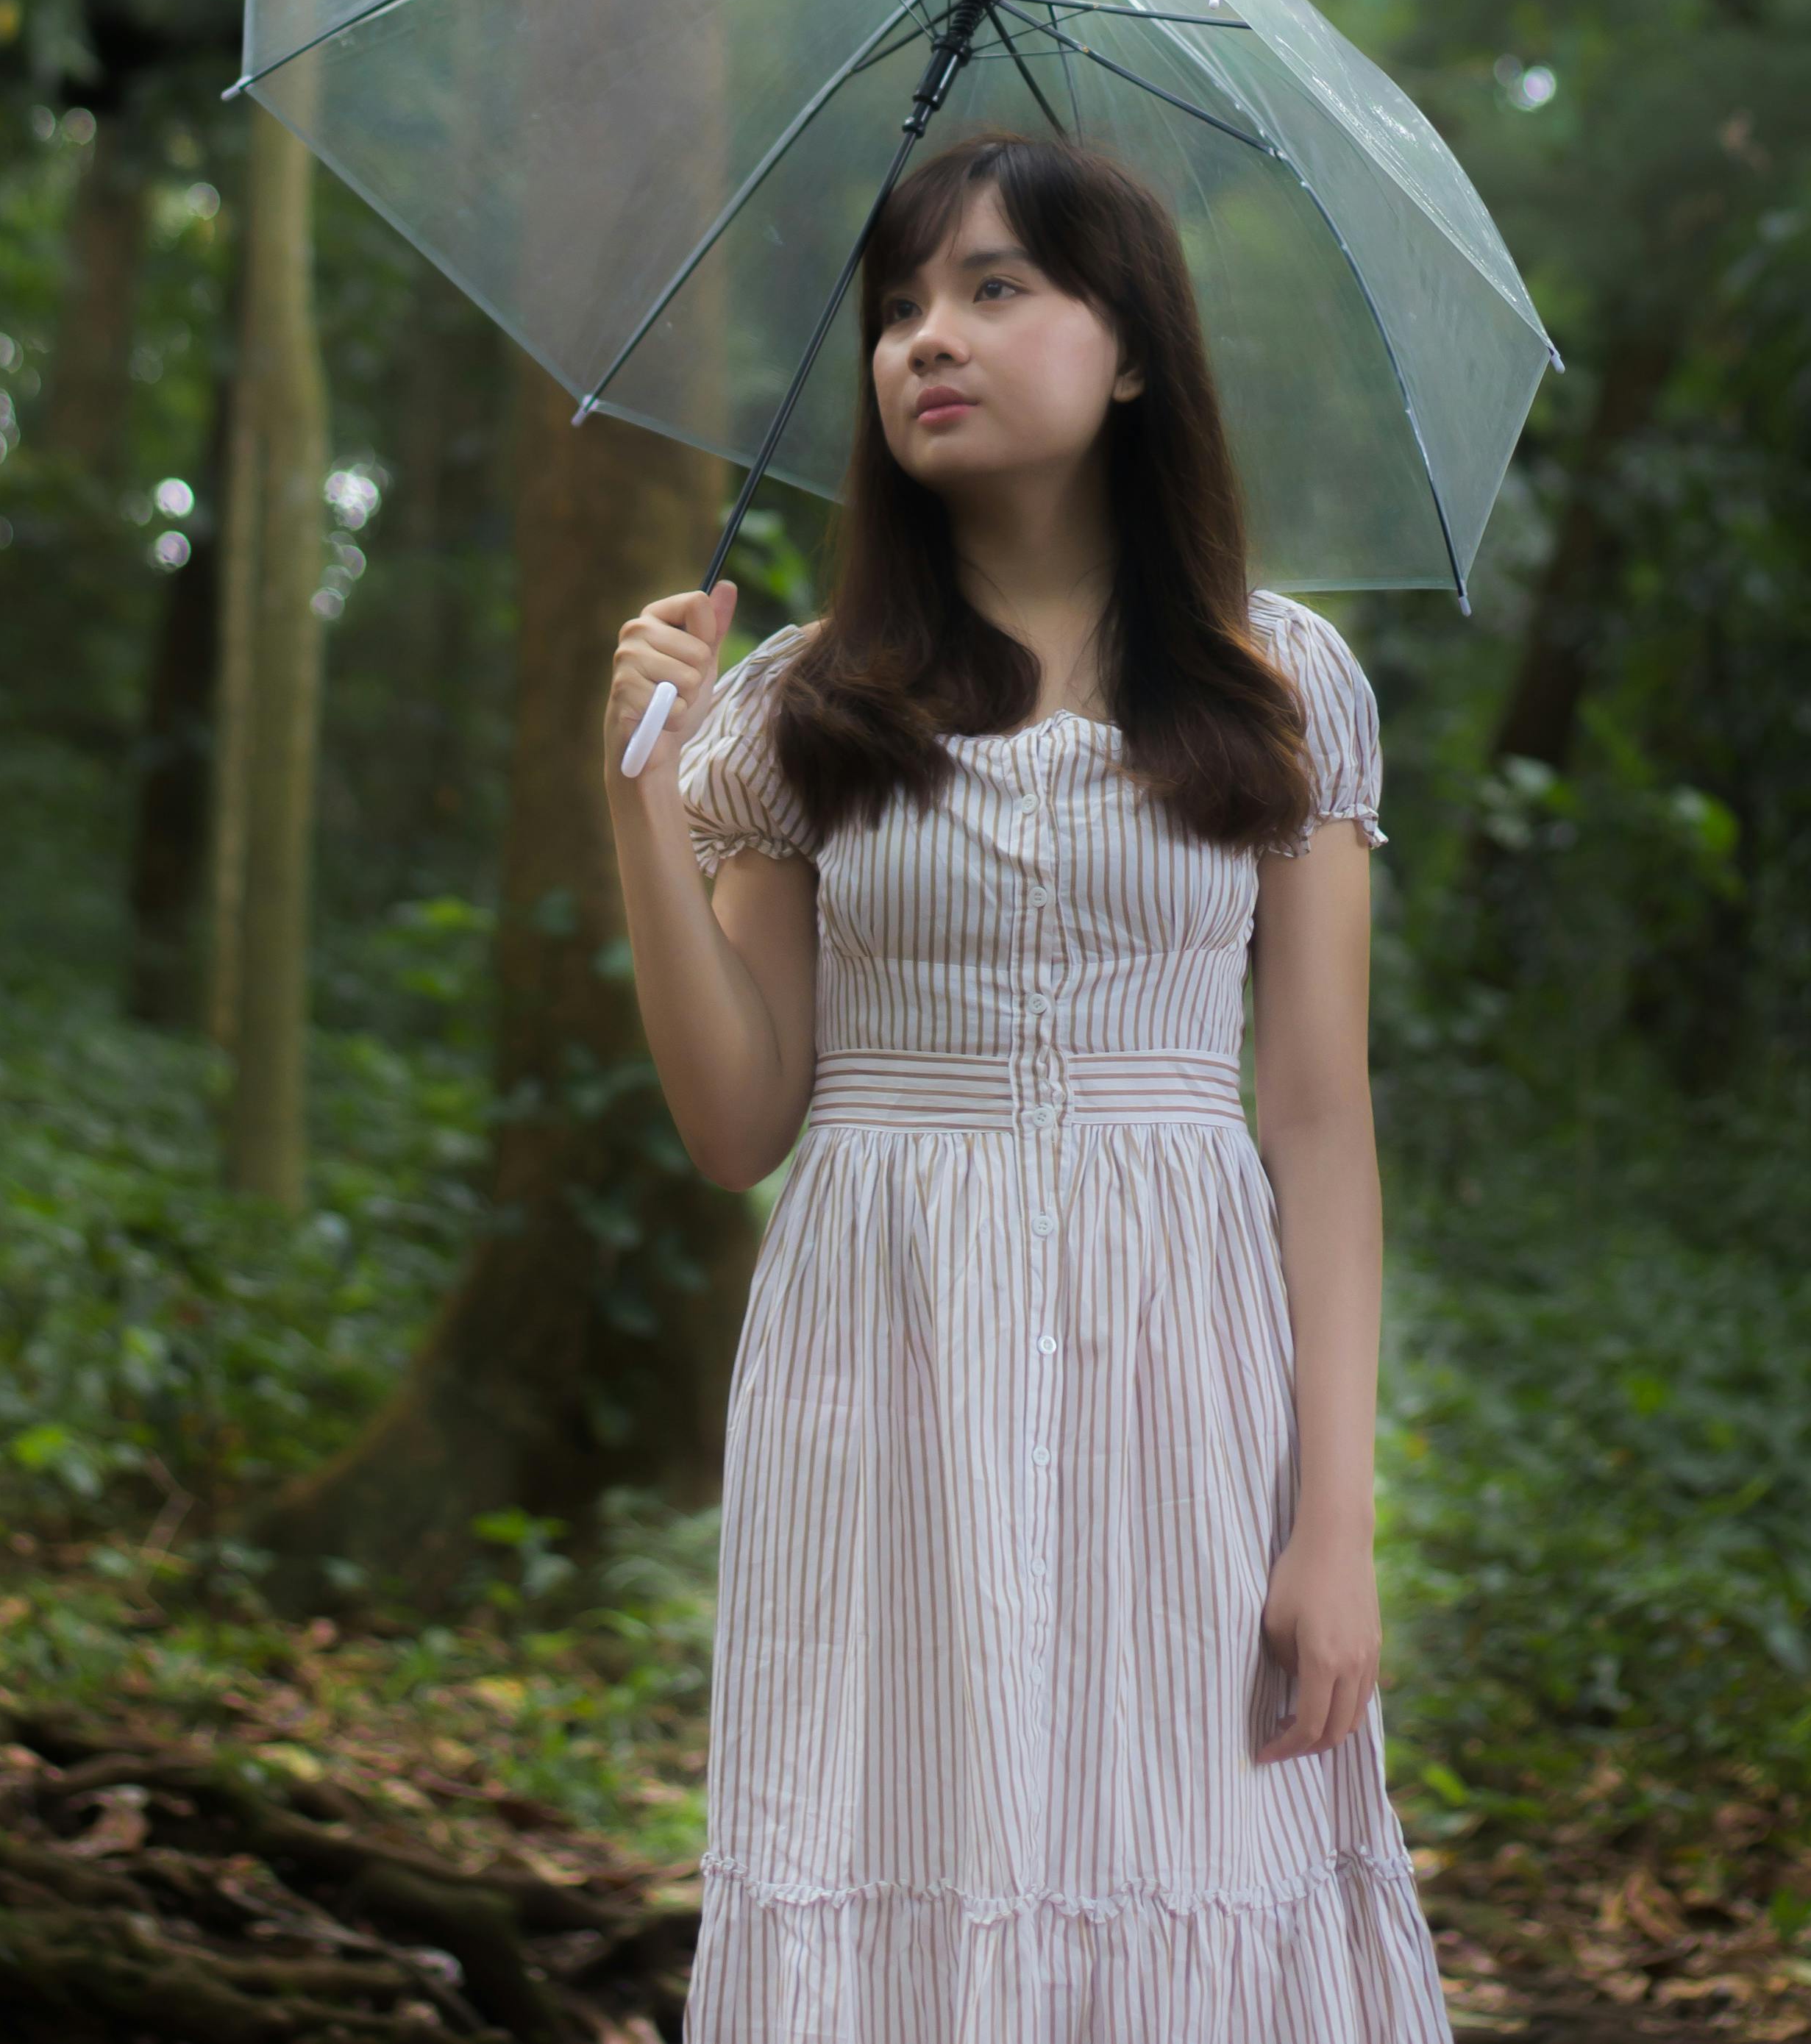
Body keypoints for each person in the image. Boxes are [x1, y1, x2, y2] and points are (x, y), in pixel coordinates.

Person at [602, 129, 1453, 2043]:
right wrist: (643, 801)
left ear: (1132, 347)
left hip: (1181, 1357)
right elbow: (739, 1120)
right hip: (880, 1349)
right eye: (901, 304)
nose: (929, 338)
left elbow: (1317, 1116)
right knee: (891, 1842)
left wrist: (1338, 1523)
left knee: (1188, 1861)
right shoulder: (803, 705)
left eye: (993, 287)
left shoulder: (1276, 678)